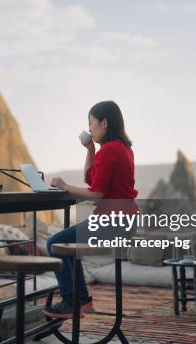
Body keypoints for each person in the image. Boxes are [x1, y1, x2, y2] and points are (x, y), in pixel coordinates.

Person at [43, 100, 139, 319]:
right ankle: (81, 300)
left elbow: (96, 193)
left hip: (114, 222)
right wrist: (90, 149)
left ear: (104, 122)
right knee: (67, 245)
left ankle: (71, 301)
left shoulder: (110, 151)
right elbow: (91, 178)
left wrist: (65, 186)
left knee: (54, 243)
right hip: (126, 221)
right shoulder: (121, 149)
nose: (90, 128)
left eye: (91, 123)